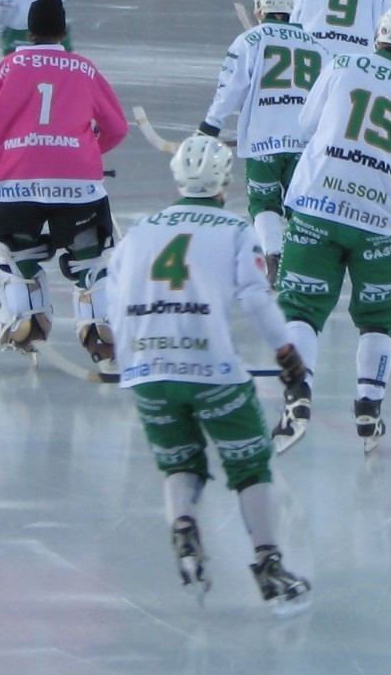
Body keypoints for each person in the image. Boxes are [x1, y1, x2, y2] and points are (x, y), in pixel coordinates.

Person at [107, 134, 311, 609]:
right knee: (250, 463)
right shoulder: (237, 231)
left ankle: (183, 529)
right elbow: (257, 299)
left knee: (180, 461)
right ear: (225, 183)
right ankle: (268, 563)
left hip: (149, 371)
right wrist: (287, 356)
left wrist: (129, 358)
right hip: (211, 368)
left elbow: (111, 297)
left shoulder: (140, 231)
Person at [0, 0, 127, 368]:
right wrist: (85, 154)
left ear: (30, 30)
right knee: (94, 259)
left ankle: (27, 320)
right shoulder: (84, 69)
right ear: (63, 31)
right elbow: (116, 128)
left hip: (16, 186)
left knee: (16, 254)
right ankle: (101, 330)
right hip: (79, 187)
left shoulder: (8, 67)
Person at [272, 5, 391, 454]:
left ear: (379, 33)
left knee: (302, 307)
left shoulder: (342, 63)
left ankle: (298, 394)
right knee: (379, 318)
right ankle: (370, 406)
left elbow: (306, 123)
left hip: (318, 204)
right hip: (379, 218)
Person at [196, 0, 323, 280]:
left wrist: (210, 126)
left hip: (263, 140)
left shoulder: (249, 40)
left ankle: (273, 255)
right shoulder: (317, 45)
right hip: (305, 142)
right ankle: (304, 263)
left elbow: (230, 89)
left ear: (260, 8)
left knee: (264, 202)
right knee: (301, 204)